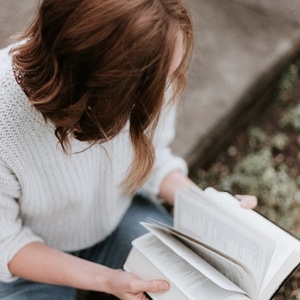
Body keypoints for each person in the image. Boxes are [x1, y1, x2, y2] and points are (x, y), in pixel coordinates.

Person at [0, 0, 257, 299]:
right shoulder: (5, 122)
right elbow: (7, 243)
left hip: (116, 217)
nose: (166, 92)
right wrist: (108, 280)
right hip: (29, 255)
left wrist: (210, 209)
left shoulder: (158, 68)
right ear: (104, 86)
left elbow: (153, 160)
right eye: (156, 83)